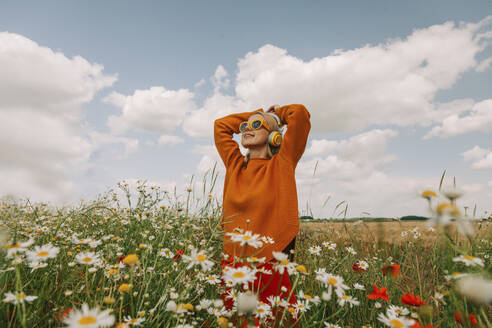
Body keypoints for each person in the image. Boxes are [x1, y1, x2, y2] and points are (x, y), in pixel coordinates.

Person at [214, 104, 311, 326]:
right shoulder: (235, 164)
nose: (247, 128)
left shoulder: (282, 163)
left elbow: (300, 113)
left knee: (275, 321)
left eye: (256, 125)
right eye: (245, 125)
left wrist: (277, 115)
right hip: (233, 262)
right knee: (233, 322)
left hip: (269, 262)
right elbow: (220, 126)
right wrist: (254, 115)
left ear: (274, 136)